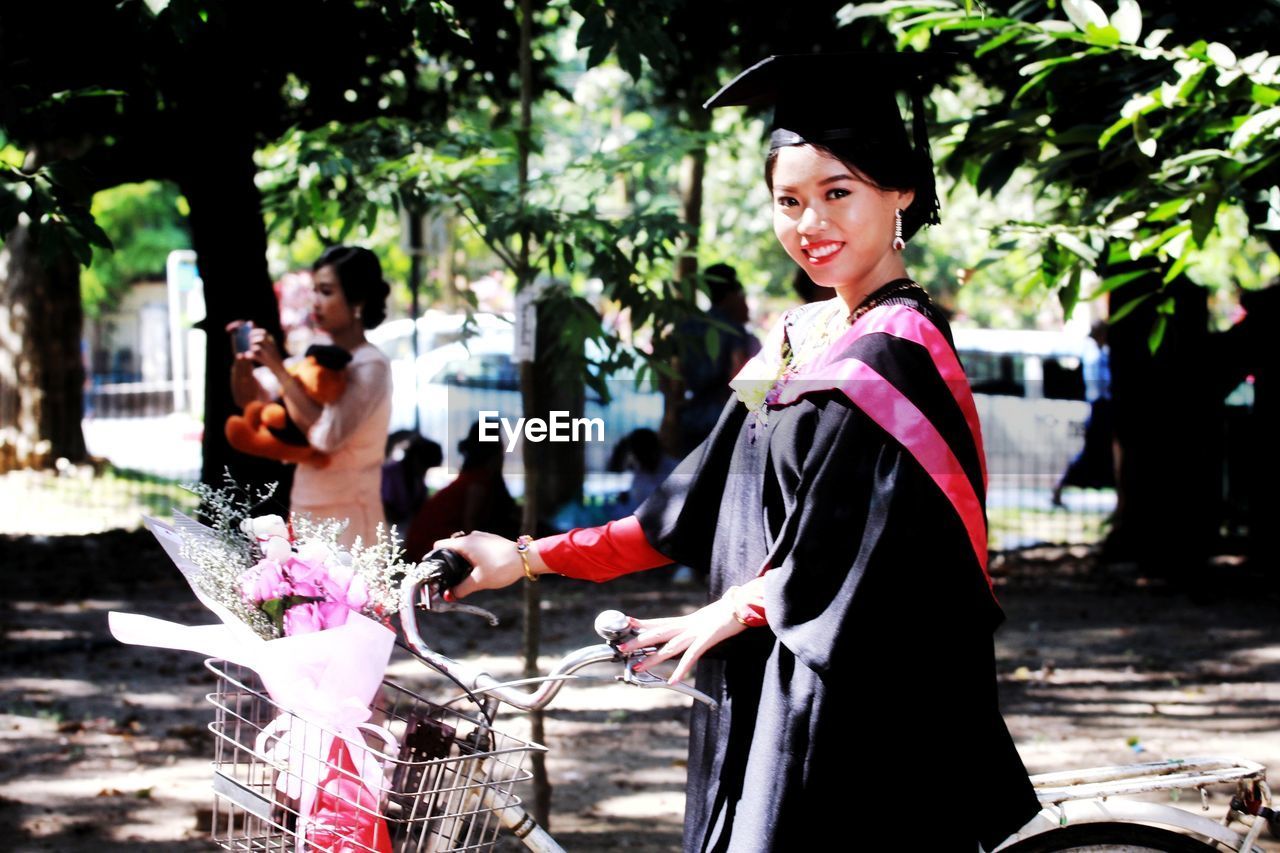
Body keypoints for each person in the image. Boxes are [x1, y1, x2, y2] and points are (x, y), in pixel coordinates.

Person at [437, 53, 1040, 851]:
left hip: (852, 713)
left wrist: (738, 606)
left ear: (903, 194)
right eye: (788, 201)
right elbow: (687, 504)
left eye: (837, 194)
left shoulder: (899, 356)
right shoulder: (793, 344)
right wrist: (527, 557)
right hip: (762, 692)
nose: (809, 225)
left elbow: (875, 560)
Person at [229, 246, 393, 548]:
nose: (315, 302)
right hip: (306, 504)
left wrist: (279, 370)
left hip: (350, 515)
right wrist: (243, 361)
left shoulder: (371, 365)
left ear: (357, 300)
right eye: (314, 290)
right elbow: (251, 401)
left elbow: (326, 438)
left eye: (327, 292)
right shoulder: (315, 354)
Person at [676, 262, 762, 454]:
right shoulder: (732, 329)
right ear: (733, 292)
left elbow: (675, 376)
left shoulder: (687, 327)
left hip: (691, 416)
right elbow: (738, 373)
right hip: (723, 417)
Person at [403, 421, 520, 561]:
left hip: (429, 540)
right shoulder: (478, 481)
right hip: (430, 546)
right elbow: (470, 522)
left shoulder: (477, 477)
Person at [1052, 320, 1115, 508]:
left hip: (1101, 407)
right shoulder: (1097, 356)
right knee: (1090, 452)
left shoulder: (1098, 354)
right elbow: (1103, 384)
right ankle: (1058, 489)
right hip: (1101, 407)